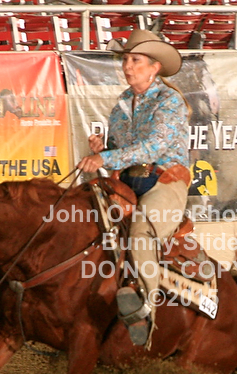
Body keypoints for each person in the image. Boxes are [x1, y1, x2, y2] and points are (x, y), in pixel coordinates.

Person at [77, 29, 191, 347]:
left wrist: (105, 156)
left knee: (142, 231)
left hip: (166, 181)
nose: (127, 66)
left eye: (135, 60)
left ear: (155, 67)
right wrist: (105, 149)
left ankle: (146, 311)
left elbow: (153, 148)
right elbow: (122, 154)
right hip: (127, 181)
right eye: (125, 59)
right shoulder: (121, 105)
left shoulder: (170, 102)